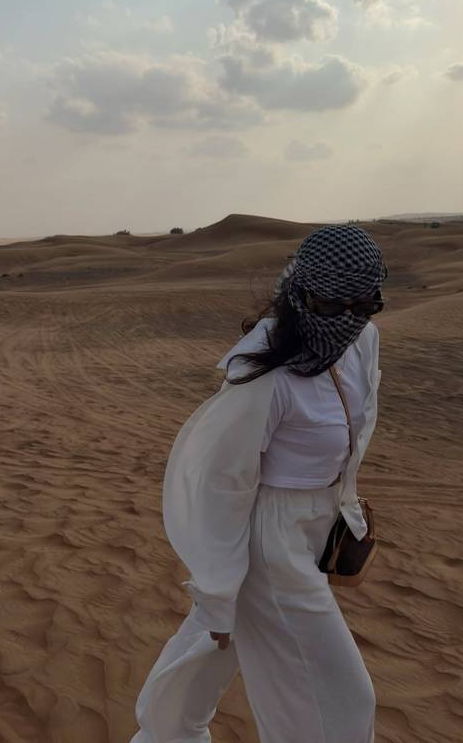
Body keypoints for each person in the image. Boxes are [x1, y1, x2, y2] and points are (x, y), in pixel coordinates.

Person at [129, 224, 388, 743]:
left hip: (313, 529)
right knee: (338, 704)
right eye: (333, 305)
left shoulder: (362, 341)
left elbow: (357, 428)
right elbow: (219, 484)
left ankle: (167, 733)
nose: (350, 318)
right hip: (272, 542)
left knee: (212, 654)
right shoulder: (264, 373)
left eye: (365, 304)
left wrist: (345, 508)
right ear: (300, 294)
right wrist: (219, 591)